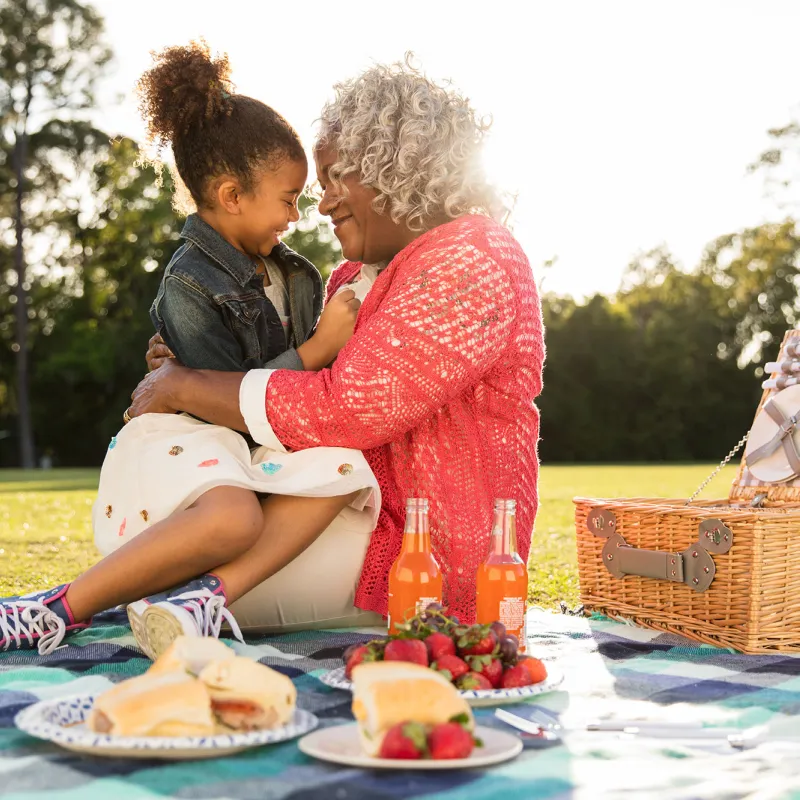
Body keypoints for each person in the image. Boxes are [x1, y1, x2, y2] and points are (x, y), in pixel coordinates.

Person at [0, 42, 380, 659]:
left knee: (346, 468)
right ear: (232, 195)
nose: (297, 212)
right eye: (287, 198)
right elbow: (221, 397)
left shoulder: (301, 277)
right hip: (190, 432)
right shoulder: (189, 283)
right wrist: (316, 351)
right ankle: (57, 606)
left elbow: (292, 406)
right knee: (236, 519)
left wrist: (330, 354)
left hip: (255, 444)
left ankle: (200, 599)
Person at [134, 58, 545, 627]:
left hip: (430, 554)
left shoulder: (473, 257)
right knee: (175, 541)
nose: (321, 204)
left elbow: (347, 409)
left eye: (332, 178)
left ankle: (162, 597)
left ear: (392, 166)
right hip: (346, 519)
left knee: (167, 568)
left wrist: (188, 386)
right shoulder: (350, 281)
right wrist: (190, 360)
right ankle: (132, 596)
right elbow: (294, 386)